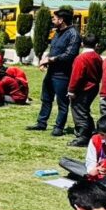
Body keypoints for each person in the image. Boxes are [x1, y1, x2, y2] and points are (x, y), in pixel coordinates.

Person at [26, 8, 80, 137]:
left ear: (61, 20)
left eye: (54, 18)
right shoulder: (57, 33)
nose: (52, 20)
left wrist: (51, 59)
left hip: (63, 74)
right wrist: (45, 60)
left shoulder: (73, 34)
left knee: (62, 103)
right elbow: (54, 50)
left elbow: (69, 55)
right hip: (51, 73)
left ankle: (59, 127)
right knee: (46, 99)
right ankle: (41, 122)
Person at [58, 115, 106, 191]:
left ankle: (86, 179)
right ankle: (91, 179)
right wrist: (92, 170)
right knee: (64, 161)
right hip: (96, 170)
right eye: (102, 135)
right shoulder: (95, 138)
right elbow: (90, 160)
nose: (105, 138)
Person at [67, 34, 102, 147]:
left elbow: (76, 75)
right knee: (85, 110)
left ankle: (83, 136)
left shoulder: (81, 58)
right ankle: (91, 131)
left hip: (82, 88)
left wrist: (71, 90)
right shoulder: (98, 57)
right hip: (94, 87)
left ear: (82, 44)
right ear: (96, 45)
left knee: (79, 111)